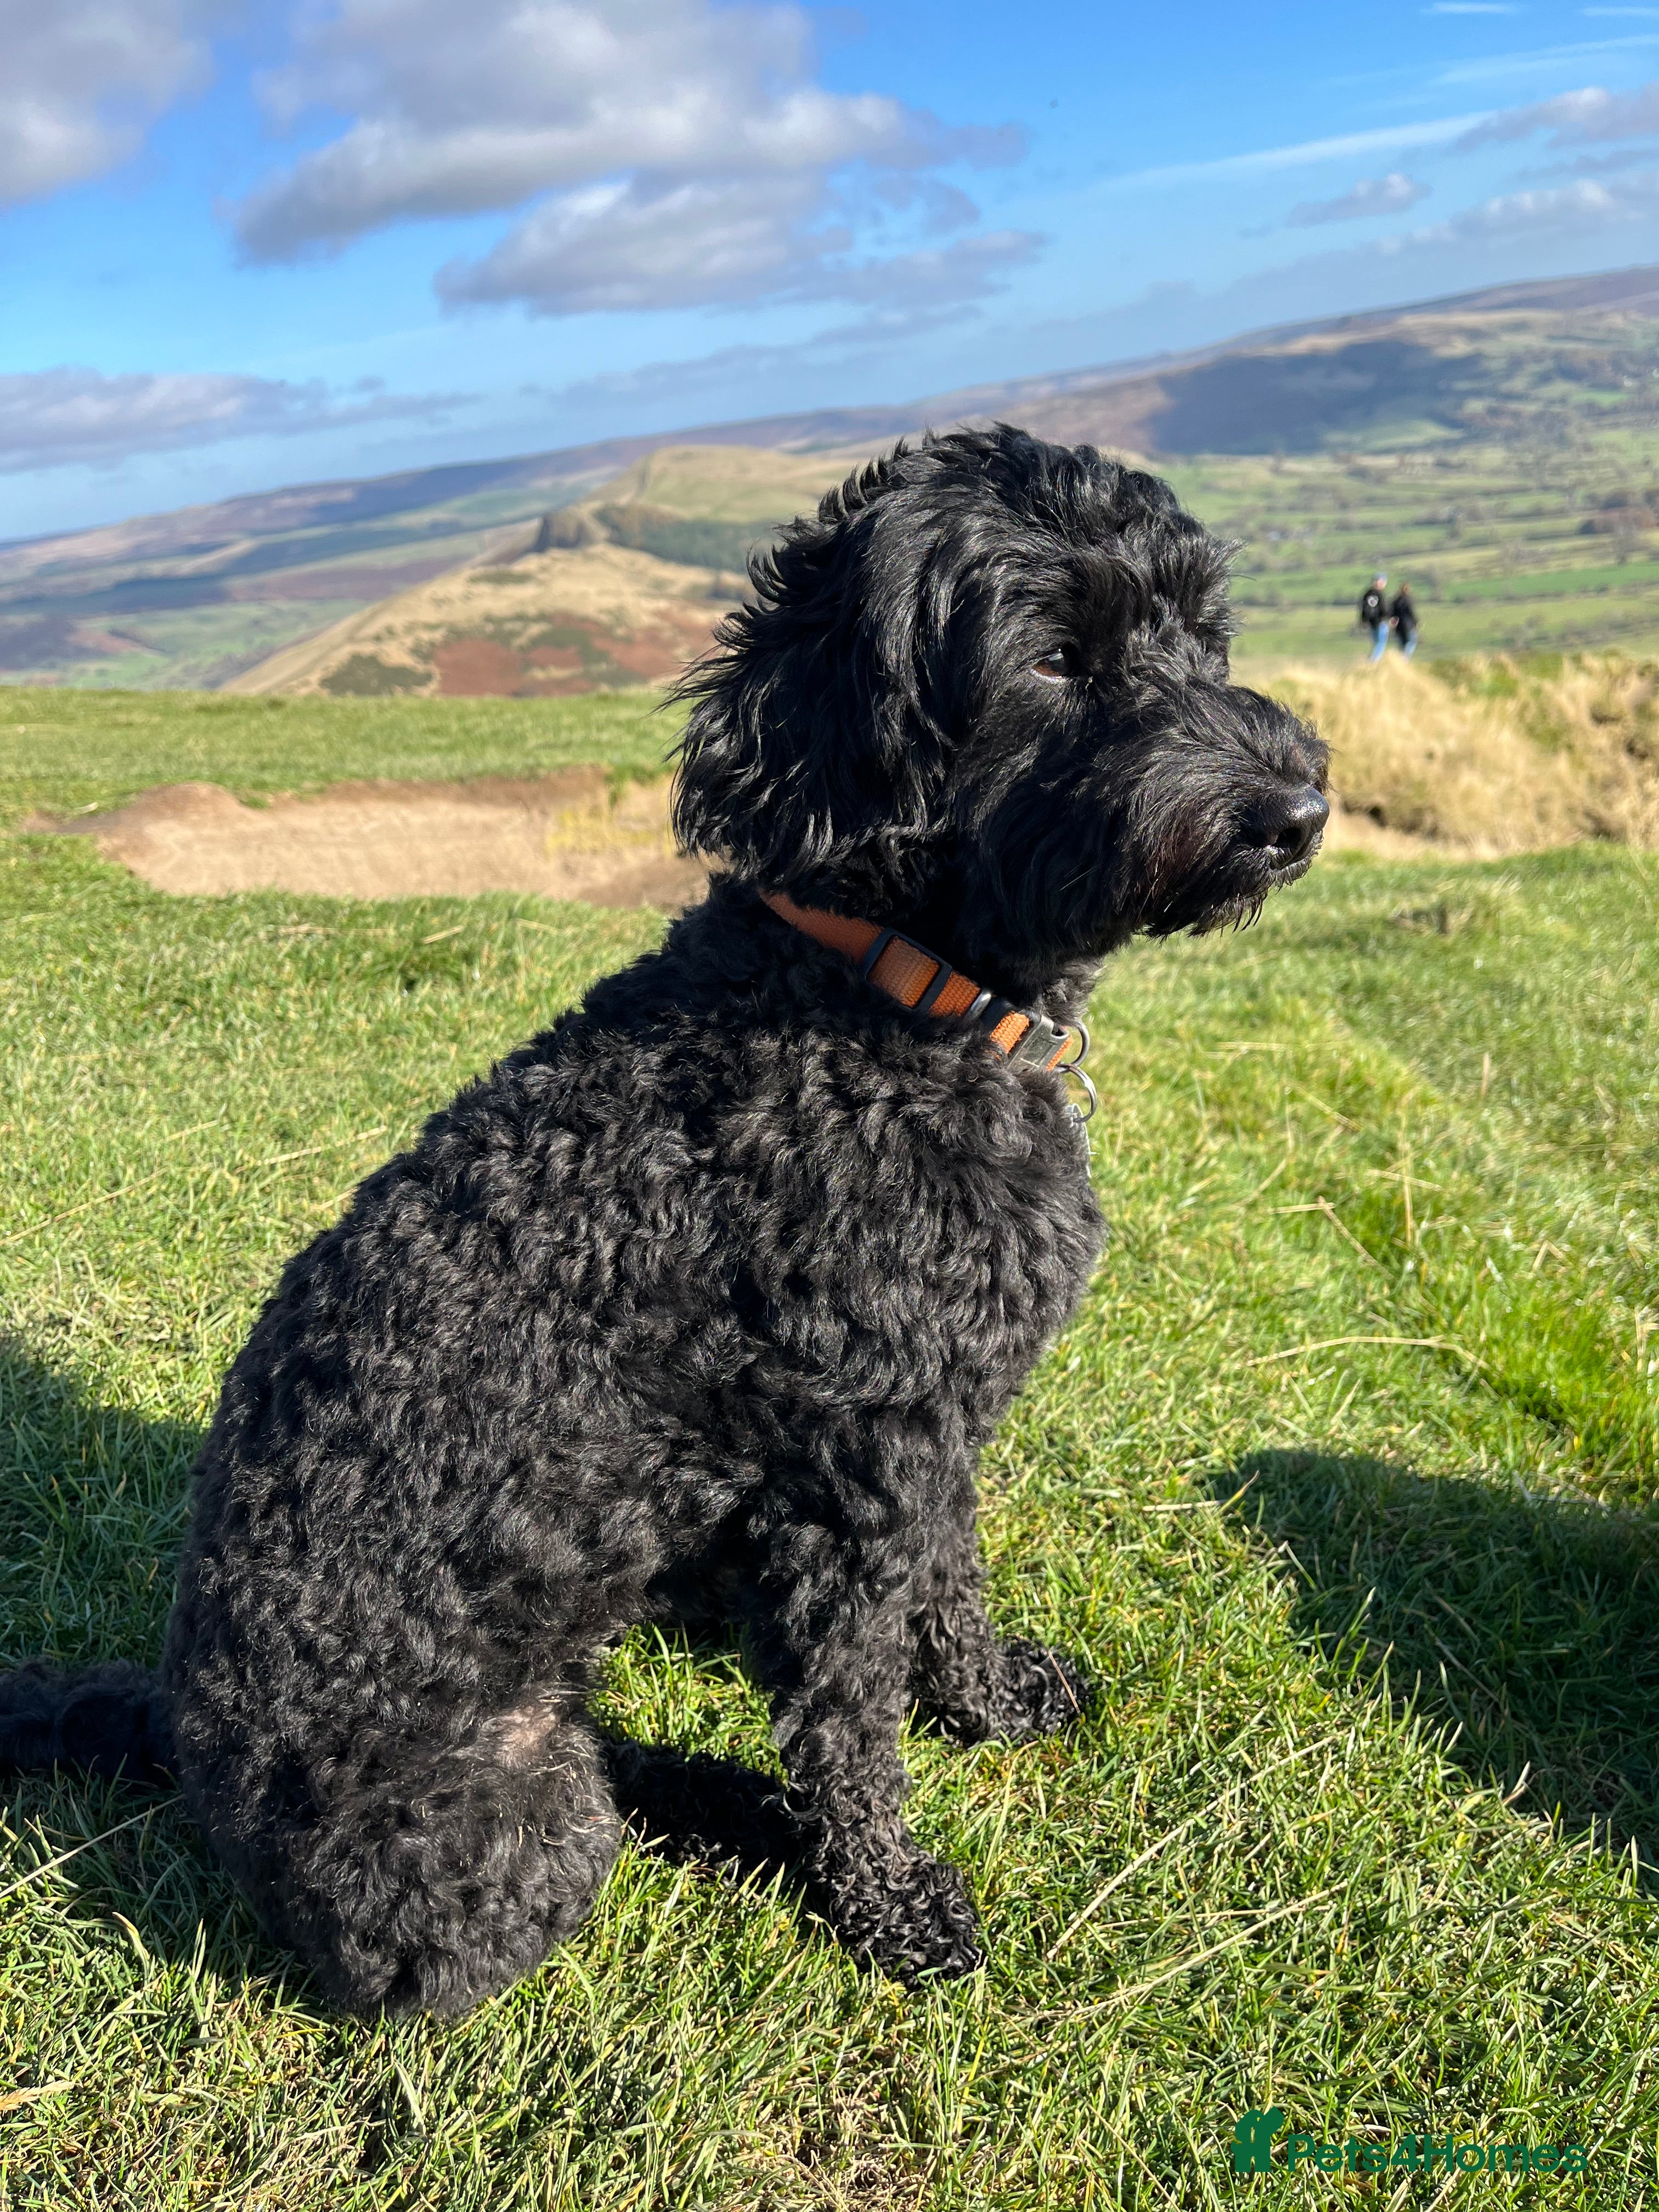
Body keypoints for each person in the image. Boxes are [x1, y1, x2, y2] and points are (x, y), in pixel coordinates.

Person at [1359, 574, 1390, 662]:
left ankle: (1371, 660)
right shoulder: (1380, 594)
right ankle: (1373, 661)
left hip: (1371, 623)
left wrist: (1364, 621)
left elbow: (1364, 609)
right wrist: (1389, 617)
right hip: (1381, 622)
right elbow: (1384, 608)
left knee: (1376, 643)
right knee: (1381, 644)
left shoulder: (1367, 593)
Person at [1390, 580, 1417, 658]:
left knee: (1402, 644)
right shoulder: (1408, 600)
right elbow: (1411, 612)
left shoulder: (1396, 600)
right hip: (1409, 625)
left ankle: (1399, 659)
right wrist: (1416, 622)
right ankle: (1404, 658)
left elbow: (1392, 614)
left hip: (1399, 626)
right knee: (1412, 642)